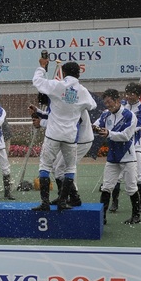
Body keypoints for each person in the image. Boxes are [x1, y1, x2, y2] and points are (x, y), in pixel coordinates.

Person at [32, 60, 96, 211]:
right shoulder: (83, 91)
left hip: (53, 134)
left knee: (46, 166)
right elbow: (92, 105)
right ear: (78, 74)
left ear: (64, 73)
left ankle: (45, 203)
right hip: (70, 136)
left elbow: (37, 81)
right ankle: (62, 201)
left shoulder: (58, 86)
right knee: (70, 168)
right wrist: (75, 104)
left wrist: (42, 67)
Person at [94, 89, 141, 225]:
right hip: (112, 156)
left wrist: (109, 133)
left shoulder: (129, 115)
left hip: (128, 156)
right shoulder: (105, 115)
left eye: (109, 102)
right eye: (105, 103)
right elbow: (96, 126)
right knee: (106, 187)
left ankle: (136, 215)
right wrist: (92, 127)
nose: (107, 105)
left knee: (131, 188)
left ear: (117, 100)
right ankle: (102, 217)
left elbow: (126, 136)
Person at [109, 82, 141, 213]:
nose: (128, 96)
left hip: (134, 147)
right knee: (116, 176)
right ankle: (114, 202)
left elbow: (138, 125)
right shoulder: (121, 104)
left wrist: (123, 130)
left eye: (132, 94)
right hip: (119, 146)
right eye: (127, 93)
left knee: (139, 176)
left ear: (138, 95)